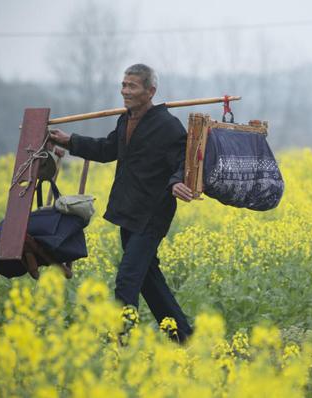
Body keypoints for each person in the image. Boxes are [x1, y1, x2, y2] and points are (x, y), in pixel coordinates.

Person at [49, 64, 195, 343]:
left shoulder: (168, 126)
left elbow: (182, 161)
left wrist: (177, 181)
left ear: (150, 91)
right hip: (129, 212)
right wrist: (70, 141)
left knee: (127, 280)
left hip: (152, 214)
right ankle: (185, 338)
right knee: (149, 281)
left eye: (132, 86)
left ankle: (122, 344)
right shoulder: (124, 120)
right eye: (124, 85)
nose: (125, 91)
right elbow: (106, 150)